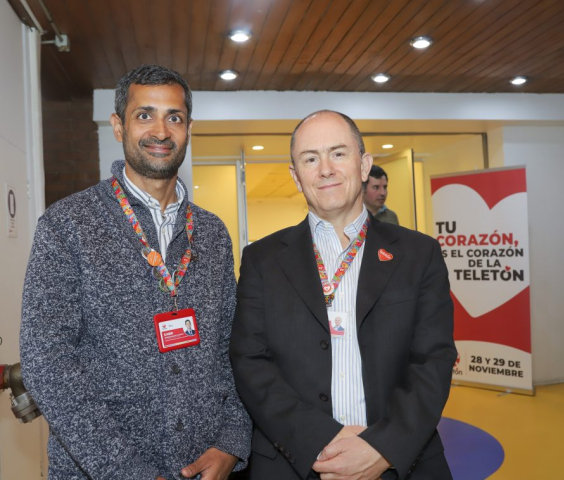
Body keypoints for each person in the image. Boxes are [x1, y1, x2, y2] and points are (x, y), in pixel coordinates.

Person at [20, 64, 251, 480]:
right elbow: (46, 361)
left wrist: (231, 442)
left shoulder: (212, 232)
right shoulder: (67, 224)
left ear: (188, 129)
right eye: (145, 115)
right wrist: (126, 470)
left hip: (205, 466)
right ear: (118, 126)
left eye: (174, 118)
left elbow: (230, 348)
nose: (160, 131)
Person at [230, 110, 456, 479]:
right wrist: (321, 440)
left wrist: (382, 447)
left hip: (400, 463)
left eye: (338, 153)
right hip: (296, 462)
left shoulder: (420, 254)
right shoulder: (262, 259)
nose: (325, 169)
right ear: (296, 175)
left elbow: (433, 360)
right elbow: (250, 362)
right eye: (310, 159)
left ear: (364, 165)